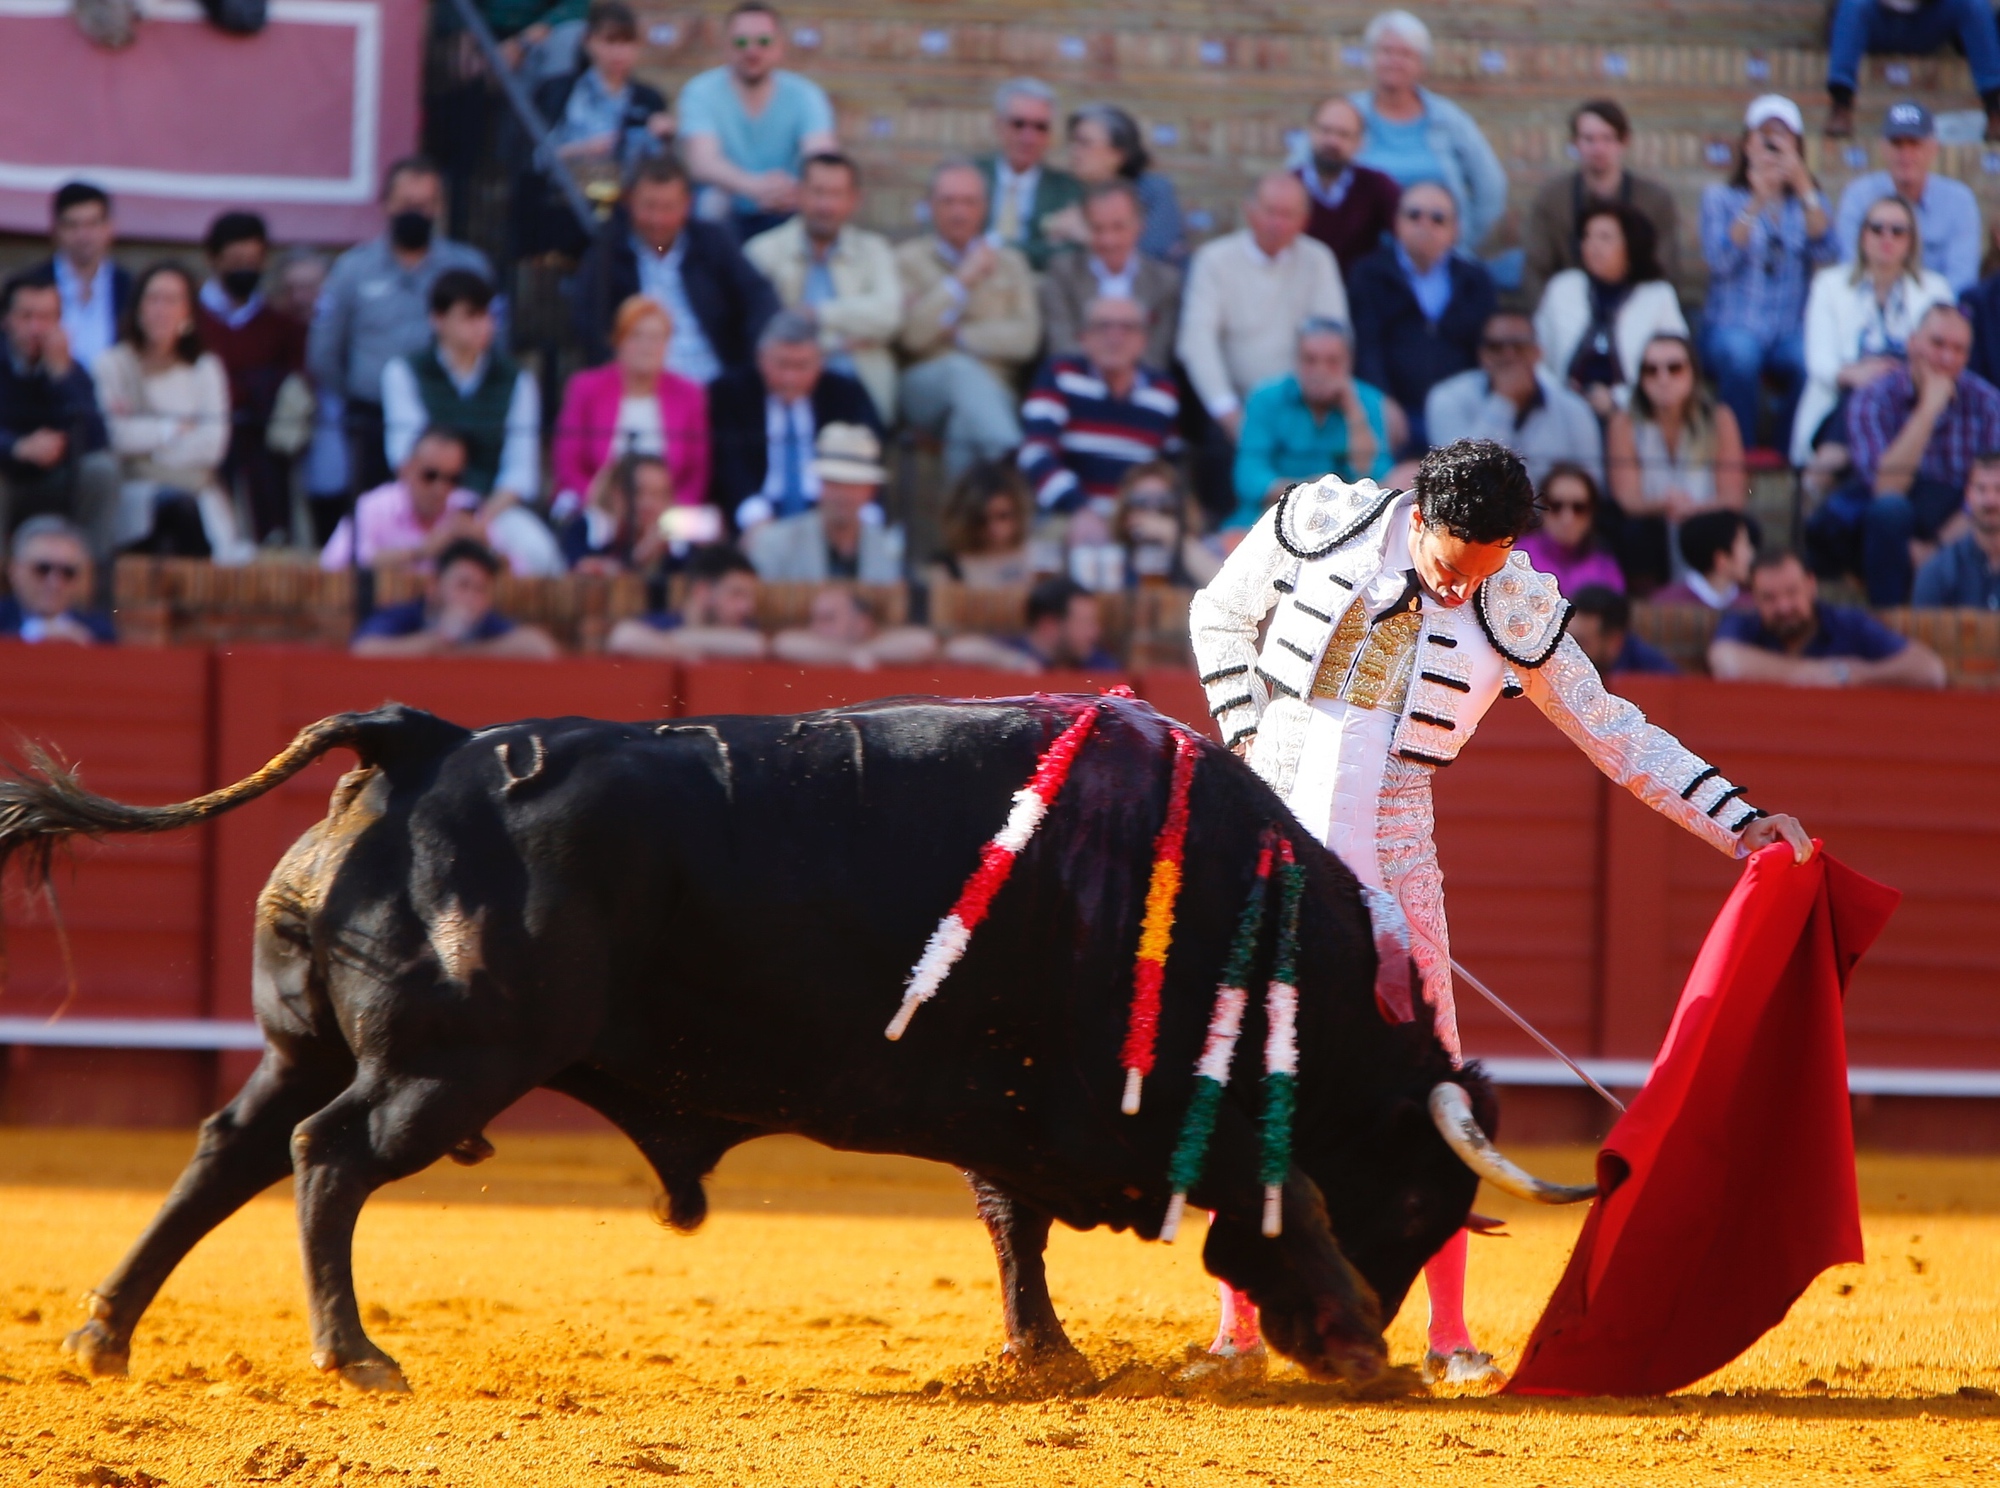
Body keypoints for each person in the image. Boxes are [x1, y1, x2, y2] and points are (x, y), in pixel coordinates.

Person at [1188, 438, 1814, 1386]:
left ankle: (1448, 1333)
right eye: (1450, 565)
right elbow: (1218, 614)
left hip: (1396, 834)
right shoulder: (1324, 523)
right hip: (1272, 810)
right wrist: (1244, 736)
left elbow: (1612, 731)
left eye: (1481, 572)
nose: (1458, 590)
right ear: (1418, 518)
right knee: (1248, 1061)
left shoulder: (1512, 604)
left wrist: (1738, 821)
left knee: (1433, 1081)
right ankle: (1236, 1333)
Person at [307, 156, 493, 497]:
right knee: (376, 511)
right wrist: (355, 393)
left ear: (439, 208)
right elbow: (324, 351)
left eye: (425, 205)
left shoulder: (468, 266)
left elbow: (492, 340)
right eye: (407, 204)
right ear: (387, 204)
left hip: (449, 413)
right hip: (372, 418)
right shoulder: (352, 269)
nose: (416, 213)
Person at [1811, 303, 2000, 603]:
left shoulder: (1988, 403)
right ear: (1913, 343)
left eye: (1959, 350)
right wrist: (1928, 409)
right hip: (1888, 527)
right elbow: (1886, 487)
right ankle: (1890, 620)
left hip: (1960, 527)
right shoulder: (1872, 398)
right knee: (1889, 511)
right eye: (1937, 344)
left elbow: (1988, 492)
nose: (1947, 358)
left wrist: (1935, 548)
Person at [381, 271, 550, 563]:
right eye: (470, 316)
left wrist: (478, 519)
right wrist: (447, 519)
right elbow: (405, 457)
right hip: (420, 508)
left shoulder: (517, 380)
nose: (483, 326)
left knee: (538, 553)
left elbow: (521, 472)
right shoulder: (404, 372)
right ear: (438, 319)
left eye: (488, 316)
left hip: (493, 511)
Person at [1698, 96, 1836, 450]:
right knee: (1740, 357)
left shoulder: (1810, 203)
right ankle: (1738, 455)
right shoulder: (1720, 197)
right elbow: (1719, 262)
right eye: (1765, 138)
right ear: (1747, 145)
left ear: (1797, 147)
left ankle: (1786, 456)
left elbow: (1828, 254)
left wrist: (1804, 187)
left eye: (1782, 139)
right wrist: (1756, 201)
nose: (1772, 147)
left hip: (1790, 329)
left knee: (1810, 364)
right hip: (1733, 324)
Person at [895, 161, 1041, 481]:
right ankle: (1018, 470)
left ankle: (965, 511)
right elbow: (912, 337)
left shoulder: (1012, 264)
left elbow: (1026, 339)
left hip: (996, 392)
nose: (958, 212)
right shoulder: (906, 259)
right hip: (926, 389)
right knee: (960, 371)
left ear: (985, 208)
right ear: (930, 206)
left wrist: (957, 334)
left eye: (969, 202)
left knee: (966, 426)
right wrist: (962, 279)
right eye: (948, 201)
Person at [1178, 173, 1349, 444]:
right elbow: (1196, 342)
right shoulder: (1214, 260)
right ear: (1249, 211)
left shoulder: (1318, 260)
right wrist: (1228, 413)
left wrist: (1313, 406)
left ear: (1304, 221)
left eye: (1287, 214)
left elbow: (1332, 337)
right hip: (1235, 402)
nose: (1277, 223)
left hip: (1303, 405)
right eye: (1270, 212)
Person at [572, 155, 781, 377]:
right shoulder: (608, 252)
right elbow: (589, 320)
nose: (658, 219)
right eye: (649, 206)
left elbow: (759, 297)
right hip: (640, 384)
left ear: (687, 204)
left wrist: (750, 367)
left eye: (668, 207)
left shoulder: (713, 241)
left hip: (716, 381)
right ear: (630, 201)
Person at [93, 262, 245, 562]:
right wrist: (173, 429)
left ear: (188, 311)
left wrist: (147, 451)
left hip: (199, 494)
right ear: (138, 306)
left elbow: (212, 445)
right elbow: (115, 436)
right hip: (133, 494)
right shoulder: (113, 364)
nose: (161, 310)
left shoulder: (205, 368)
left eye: (172, 300)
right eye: (154, 299)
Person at [1794, 193, 1955, 474]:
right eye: (1877, 228)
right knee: (1863, 396)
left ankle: (1827, 471)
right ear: (1862, 236)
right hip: (1845, 393)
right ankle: (1824, 475)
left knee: (1882, 393)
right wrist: (1855, 374)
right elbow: (1819, 360)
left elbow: (1944, 355)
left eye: (1898, 231)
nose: (1886, 238)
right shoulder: (1829, 284)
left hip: (1910, 396)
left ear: (1911, 240)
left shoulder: (1936, 289)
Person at [743, 152, 903, 423]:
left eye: (836, 194)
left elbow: (890, 314)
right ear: (799, 194)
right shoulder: (762, 251)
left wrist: (816, 315)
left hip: (860, 390)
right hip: (785, 391)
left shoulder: (874, 250)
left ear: (854, 200)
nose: (826, 205)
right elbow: (760, 331)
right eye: (818, 192)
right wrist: (842, 341)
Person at [1348, 181, 1495, 450]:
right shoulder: (1369, 275)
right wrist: (1381, 401)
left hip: (1459, 413)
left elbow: (1484, 352)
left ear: (1455, 230)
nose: (1424, 225)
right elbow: (1366, 347)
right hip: (1392, 411)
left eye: (1437, 218)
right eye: (1414, 215)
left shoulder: (1476, 281)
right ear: (1397, 222)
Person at [676, 0, 836, 242]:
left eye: (763, 42)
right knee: (711, 201)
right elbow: (702, 162)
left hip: (787, 205)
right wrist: (755, 187)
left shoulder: (806, 94)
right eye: (741, 42)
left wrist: (792, 190)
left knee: (819, 199)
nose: (752, 51)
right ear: (726, 46)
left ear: (780, 47)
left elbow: (820, 158)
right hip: (728, 206)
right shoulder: (700, 91)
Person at [1348, 11, 1508, 253]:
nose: (1394, 61)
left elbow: (1491, 185)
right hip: (1361, 261)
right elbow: (1302, 175)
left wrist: (1461, 243)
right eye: (1386, 51)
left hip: (1436, 259)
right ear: (1369, 58)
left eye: (1406, 54)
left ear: (1421, 65)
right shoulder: (1347, 114)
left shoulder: (1448, 119)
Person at [196, 211, 308, 546]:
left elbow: (295, 380)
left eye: (252, 260)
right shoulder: (192, 320)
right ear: (214, 260)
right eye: (235, 261)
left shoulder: (281, 325)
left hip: (265, 454)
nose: (244, 269)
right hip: (206, 443)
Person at [709, 310, 880, 528]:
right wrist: (753, 515)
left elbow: (867, 456)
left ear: (820, 362)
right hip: (757, 510)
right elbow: (727, 462)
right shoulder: (731, 393)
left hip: (827, 510)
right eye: (782, 364)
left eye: (801, 366)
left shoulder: (845, 395)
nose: (790, 377)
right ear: (761, 358)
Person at [550, 295, 711, 526]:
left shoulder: (689, 395)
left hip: (666, 515)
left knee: (706, 526)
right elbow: (568, 466)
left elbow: (696, 476)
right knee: (587, 526)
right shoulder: (585, 388)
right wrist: (604, 506)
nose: (647, 347)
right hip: (598, 507)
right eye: (636, 336)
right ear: (618, 340)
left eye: (656, 338)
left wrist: (664, 516)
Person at [526, 1, 672, 255]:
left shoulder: (649, 100)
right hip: (566, 202)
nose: (618, 52)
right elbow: (535, 159)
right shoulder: (559, 91)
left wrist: (664, 138)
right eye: (609, 41)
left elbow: (659, 169)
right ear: (588, 41)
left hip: (626, 209)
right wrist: (583, 149)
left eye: (626, 42)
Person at [1605, 332, 1748, 589]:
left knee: (1726, 529)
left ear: (1693, 373)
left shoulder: (1719, 418)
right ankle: (1646, 602)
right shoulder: (1624, 422)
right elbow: (1627, 498)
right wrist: (1666, 504)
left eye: (1674, 368)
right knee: (1634, 532)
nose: (1663, 379)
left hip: (1705, 518)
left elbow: (1732, 497)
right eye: (1651, 370)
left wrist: (1692, 509)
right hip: (1653, 522)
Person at [1019, 296, 1182, 515]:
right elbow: (1034, 453)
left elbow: (1169, 466)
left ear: (1143, 340)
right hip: (1067, 515)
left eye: (1127, 327)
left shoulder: (1163, 391)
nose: (1114, 337)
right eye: (1103, 326)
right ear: (1083, 337)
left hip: (1140, 516)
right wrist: (1079, 509)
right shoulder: (1060, 375)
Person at [321, 426, 556, 577]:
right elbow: (334, 564)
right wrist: (419, 552)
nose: (440, 489)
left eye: (452, 479)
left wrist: (486, 548)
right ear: (406, 470)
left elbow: (522, 573)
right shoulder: (374, 507)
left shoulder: (468, 507)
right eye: (430, 476)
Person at [1231, 317, 1392, 531]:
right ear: (1296, 361)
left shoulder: (1369, 401)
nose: (1320, 371)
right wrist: (1309, 493)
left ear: (1349, 362)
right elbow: (1249, 477)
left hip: (1345, 524)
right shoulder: (1265, 399)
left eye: (1332, 361)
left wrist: (1354, 413)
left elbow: (1377, 477)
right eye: (1310, 360)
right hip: (1268, 519)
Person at [1521, 100, 1682, 307]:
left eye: (1608, 138)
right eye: (1589, 139)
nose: (1598, 149)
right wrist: (1552, 316)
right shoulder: (1552, 199)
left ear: (1624, 141)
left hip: (1638, 310)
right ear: (1575, 143)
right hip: (1568, 309)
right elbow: (1536, 268)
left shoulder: (1655, 200)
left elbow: (1665, 270)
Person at [1534, 203, 1688, 418]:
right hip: (1562, 411)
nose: (1592, 245)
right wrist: (1561, 397)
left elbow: (1677, 365)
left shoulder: (1658, 296)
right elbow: (1535, 356)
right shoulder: (1562, 287)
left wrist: (1618, 399)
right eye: (1587, 236)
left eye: (1605, 237)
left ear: (1631, 245)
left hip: (1633, 414)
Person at [1709, 549, 1946, 687]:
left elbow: (1930, 671)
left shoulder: (1849, 624)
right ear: (1753, 597)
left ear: (1811, 586)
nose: (1783, 607)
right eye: (1769, 598)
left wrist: (1856, 675)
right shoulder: (1741, 624)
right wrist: (1812, 673)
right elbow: (1725, 661)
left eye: (1792, 593)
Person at [0, 275, 115, 556]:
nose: (36, 329)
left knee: (102, 470)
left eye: (46, 318)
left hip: (53, 480)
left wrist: (61, 378)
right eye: (26, 317)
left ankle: (90, 573)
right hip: (5, 475)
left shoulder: (71, 370)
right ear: (6, 320)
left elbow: (97, 439)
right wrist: (16, 446)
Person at [1424, 311, 1603, 488]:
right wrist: (1503, 402)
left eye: (1519, 346)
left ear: (1537, 352)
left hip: (1550, 506)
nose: (1509, 356)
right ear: (1482, 354)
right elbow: (1457, 479)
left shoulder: (1574, 410)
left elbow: (1591, 486)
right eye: (1496, 347)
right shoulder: (1447, 398)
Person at [1832, 103, 1983, 295]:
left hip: (1939, 309)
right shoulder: (1859, 195)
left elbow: (1962, 279)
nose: (1905, 154)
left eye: (1914, 144)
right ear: (1883, 148)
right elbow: (1851, 268)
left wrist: (1922, 309)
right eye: (1897, 144)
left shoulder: (1959, 201)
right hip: (1870, 305)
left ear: (1934, 148)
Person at [1039, 182, 1183, 374]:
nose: (1109, 240)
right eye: (1098, 229)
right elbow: (1061, 344)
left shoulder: (1164, 282)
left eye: (1118, 227)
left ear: (1140, 226)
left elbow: (1156, 355)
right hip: (1077, 378)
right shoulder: (1064, 273)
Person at [351, 537, 560, 659]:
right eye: (463, 585)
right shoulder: (406, 614)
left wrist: (460, 651)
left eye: (480, 589)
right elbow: (364, 649)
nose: (471, 597)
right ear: (434, 587)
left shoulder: (485, 620)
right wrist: (439, 639)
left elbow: (543, 649)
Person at [743, 422, 901, 582]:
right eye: (834, 483)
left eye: (854, 485)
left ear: (871, 490)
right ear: (820, 485)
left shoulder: (888, 550)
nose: (843, 495)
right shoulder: (775, 543)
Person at [1825, 0, 2000, 142]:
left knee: (1973, 4)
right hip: (1881, 22)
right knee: (1853, 4)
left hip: (1926, 23)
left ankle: (1994, 110)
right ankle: (1841, 107)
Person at [1041, 104, 1185, 265]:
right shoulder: (1071, 191)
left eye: (1085, 143)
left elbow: (1156, 253)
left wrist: (1089, 237)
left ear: (1117, 154)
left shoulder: (1154, 191)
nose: (1074, 151)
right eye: (1073, 142)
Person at [976, 78, 1084, 273]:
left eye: (1040, 127)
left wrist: (996, 246)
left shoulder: (1066, 188)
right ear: (998, 125)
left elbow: (1068, 253)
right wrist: (1039, 248)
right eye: (1018, 124)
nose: (1029, 138)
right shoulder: (970, 176)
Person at [27, 182, 131, 377]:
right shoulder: (31, 286)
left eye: (92, 224)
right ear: (55, 230)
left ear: (110, 228)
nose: (83, 236)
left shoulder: (129, 288)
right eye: (72, 225)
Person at [607, 541, 771, 659]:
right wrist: (687, 653)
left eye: (750, 596)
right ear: (703, 591)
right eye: (736, 594)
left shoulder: (742, 628)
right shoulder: (667, 623)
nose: (748, 607)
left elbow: (754, 644)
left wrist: (677, 642)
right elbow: (623, 637)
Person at [1295, 96, 1403, 276]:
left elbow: (1408, 235)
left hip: (1363, 290)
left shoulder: (1377, 186)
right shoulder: (1289, 187)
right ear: (1309, 132)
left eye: (1343, 134)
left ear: (1359, 143)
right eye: (1325, 130)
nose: (1332, 141)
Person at [957, 574, 1119, 672]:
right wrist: (1015, 662)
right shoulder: (1013, 651)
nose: (1094, 632)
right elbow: (959, 649)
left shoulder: (1095, 662)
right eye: (1085, 623)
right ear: (1049, 625)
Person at [0, 515, 115, 645]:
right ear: (14, 571)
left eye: (68, 572)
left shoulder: (99, 632)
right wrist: (30, 636)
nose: (55, 583)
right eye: (42, 569)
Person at [1518, 463, 1626, 596]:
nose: (1567, 518)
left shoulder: (1605, 567)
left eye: (1579, 508)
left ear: (1592, 513)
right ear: (1542, 508)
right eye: (1556, 506)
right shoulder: (1517, 558)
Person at [559, 450, 675, 573]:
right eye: (638, 492)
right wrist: (640, 557)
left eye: (659, 494)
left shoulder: (674, 542)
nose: (648, 503)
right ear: (616, 492)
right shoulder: (588, 528)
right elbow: (583, 571)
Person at [771, 583, 937, 669]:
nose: (815, 627)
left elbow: (924, 643)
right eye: (814, 619)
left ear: (860, 622)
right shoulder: (807, 647)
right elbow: (783, 643)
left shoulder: (884, 644)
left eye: (827, 618)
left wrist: (865, 651)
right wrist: (851, 655)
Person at [1112, 461, 1220, 590]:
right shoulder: (1113, 552)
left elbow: (1225, 587)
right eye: (1141, 501)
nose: (1152, 513)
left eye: (1163, 502)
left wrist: (1173, 535)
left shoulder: (1203, 545)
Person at [1913, 449, 2000, 607]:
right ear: (1968, 495)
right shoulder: (1939, 572)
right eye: (1981, 489)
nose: (1990, 500)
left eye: (1998, 489)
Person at [929, 461, 1034, 589]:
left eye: (1003, 516)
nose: (994, 528)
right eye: (982, 520)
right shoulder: (948, 568)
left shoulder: (1035, 559)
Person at [1651, 509, 1760, 610]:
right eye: (1745, 544)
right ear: (1721, 559)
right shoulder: (1667, 604)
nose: (1751, 553)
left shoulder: (1753, 603)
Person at [1566, 584, 1679, 677]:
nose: (1568, 651)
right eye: (1567, 640)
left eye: (1580, 642)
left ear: (1614, 640)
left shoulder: (1656, 675)